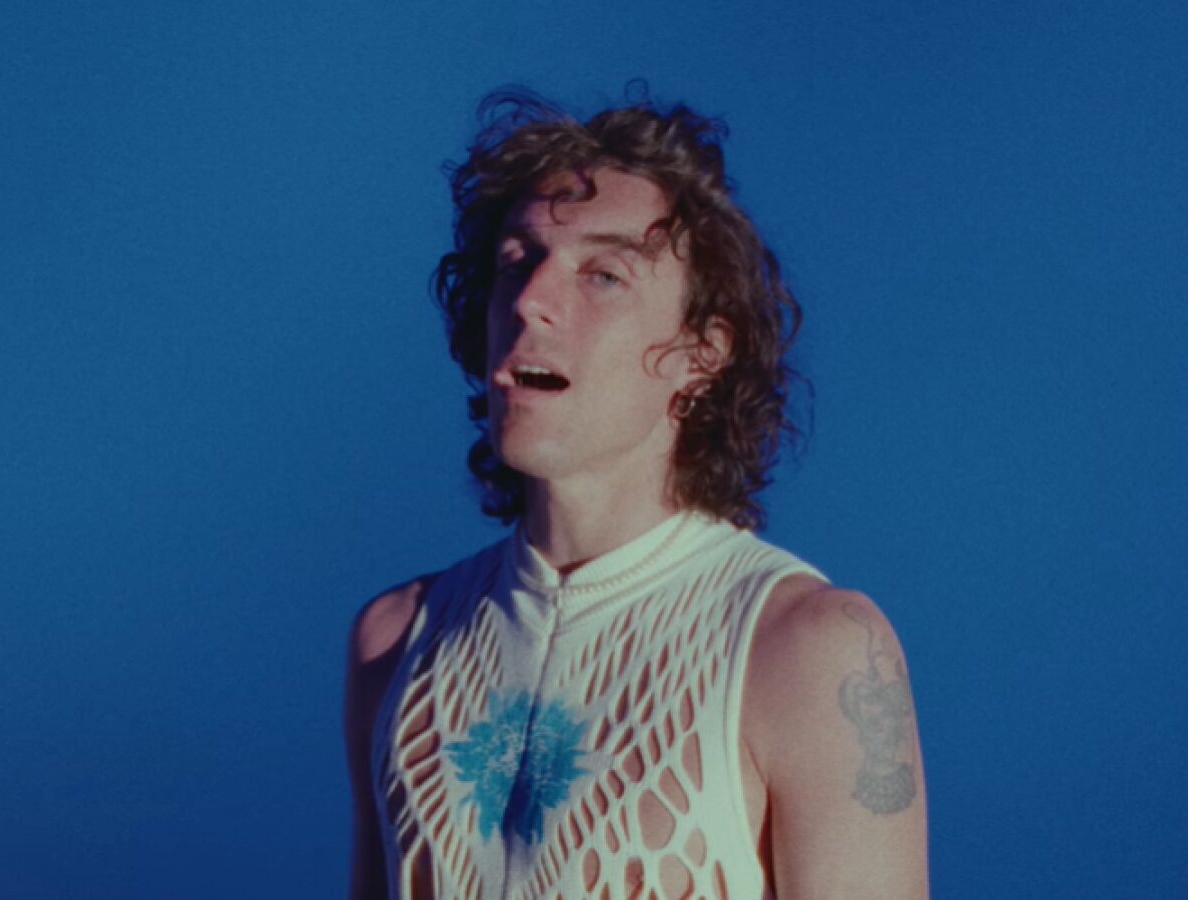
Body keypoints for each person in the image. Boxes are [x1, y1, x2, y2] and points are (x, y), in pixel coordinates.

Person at [344, 88, 927, 899]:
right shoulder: (396, 643)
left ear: (702, 354)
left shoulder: (810, 650)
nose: (531, 300)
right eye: (515, 262)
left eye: (604, 274)